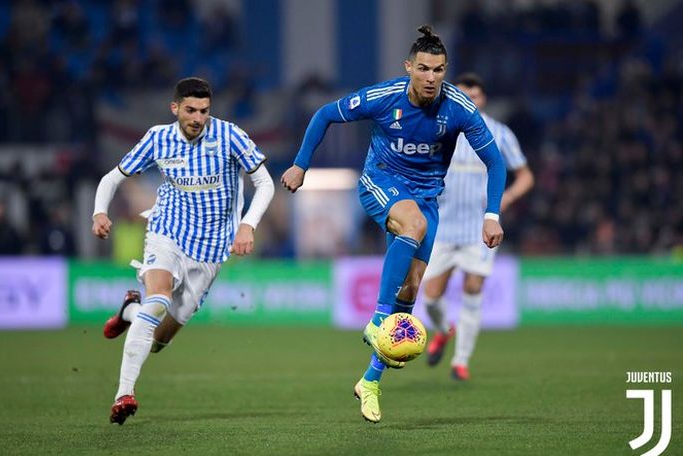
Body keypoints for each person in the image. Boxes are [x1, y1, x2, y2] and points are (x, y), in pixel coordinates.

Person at [281, 26, 506, 423]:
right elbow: (324, 115)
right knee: (412, 225)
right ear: (409, 68)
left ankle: (370, 381)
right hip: (380, 181)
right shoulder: (384, 97)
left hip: (426, 197)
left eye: (439, 70)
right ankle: (378, 320)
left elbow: (496, 162)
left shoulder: (458, 107)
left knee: (413, 287)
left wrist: (491, 214)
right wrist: (301, 163)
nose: (432, 77)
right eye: (424, 69)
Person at [92, 77, 274, 425]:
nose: (197, 117)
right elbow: (112, 178)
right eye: (190, 110)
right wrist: (99, 211)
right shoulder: (158, 138)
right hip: (167, 232)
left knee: (159, 339)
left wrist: (247, 224)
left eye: (204, 111)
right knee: (158, 299)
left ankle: (130, 311)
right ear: (175, 108)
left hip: (211, 250)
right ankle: (124, 394)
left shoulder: (229, 136)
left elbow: (264, 182)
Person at [422, 73, 534, 381]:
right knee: (430, 296)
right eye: (462, 96)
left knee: (474, 288)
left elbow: (525, 176)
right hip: (442, 227)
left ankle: (461, 361)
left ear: (483, 100)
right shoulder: (439, 129)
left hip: (478, 230)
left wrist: (505, 199)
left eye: (474, 96)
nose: (469, 101)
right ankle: (445, 330)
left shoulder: (499, 133)